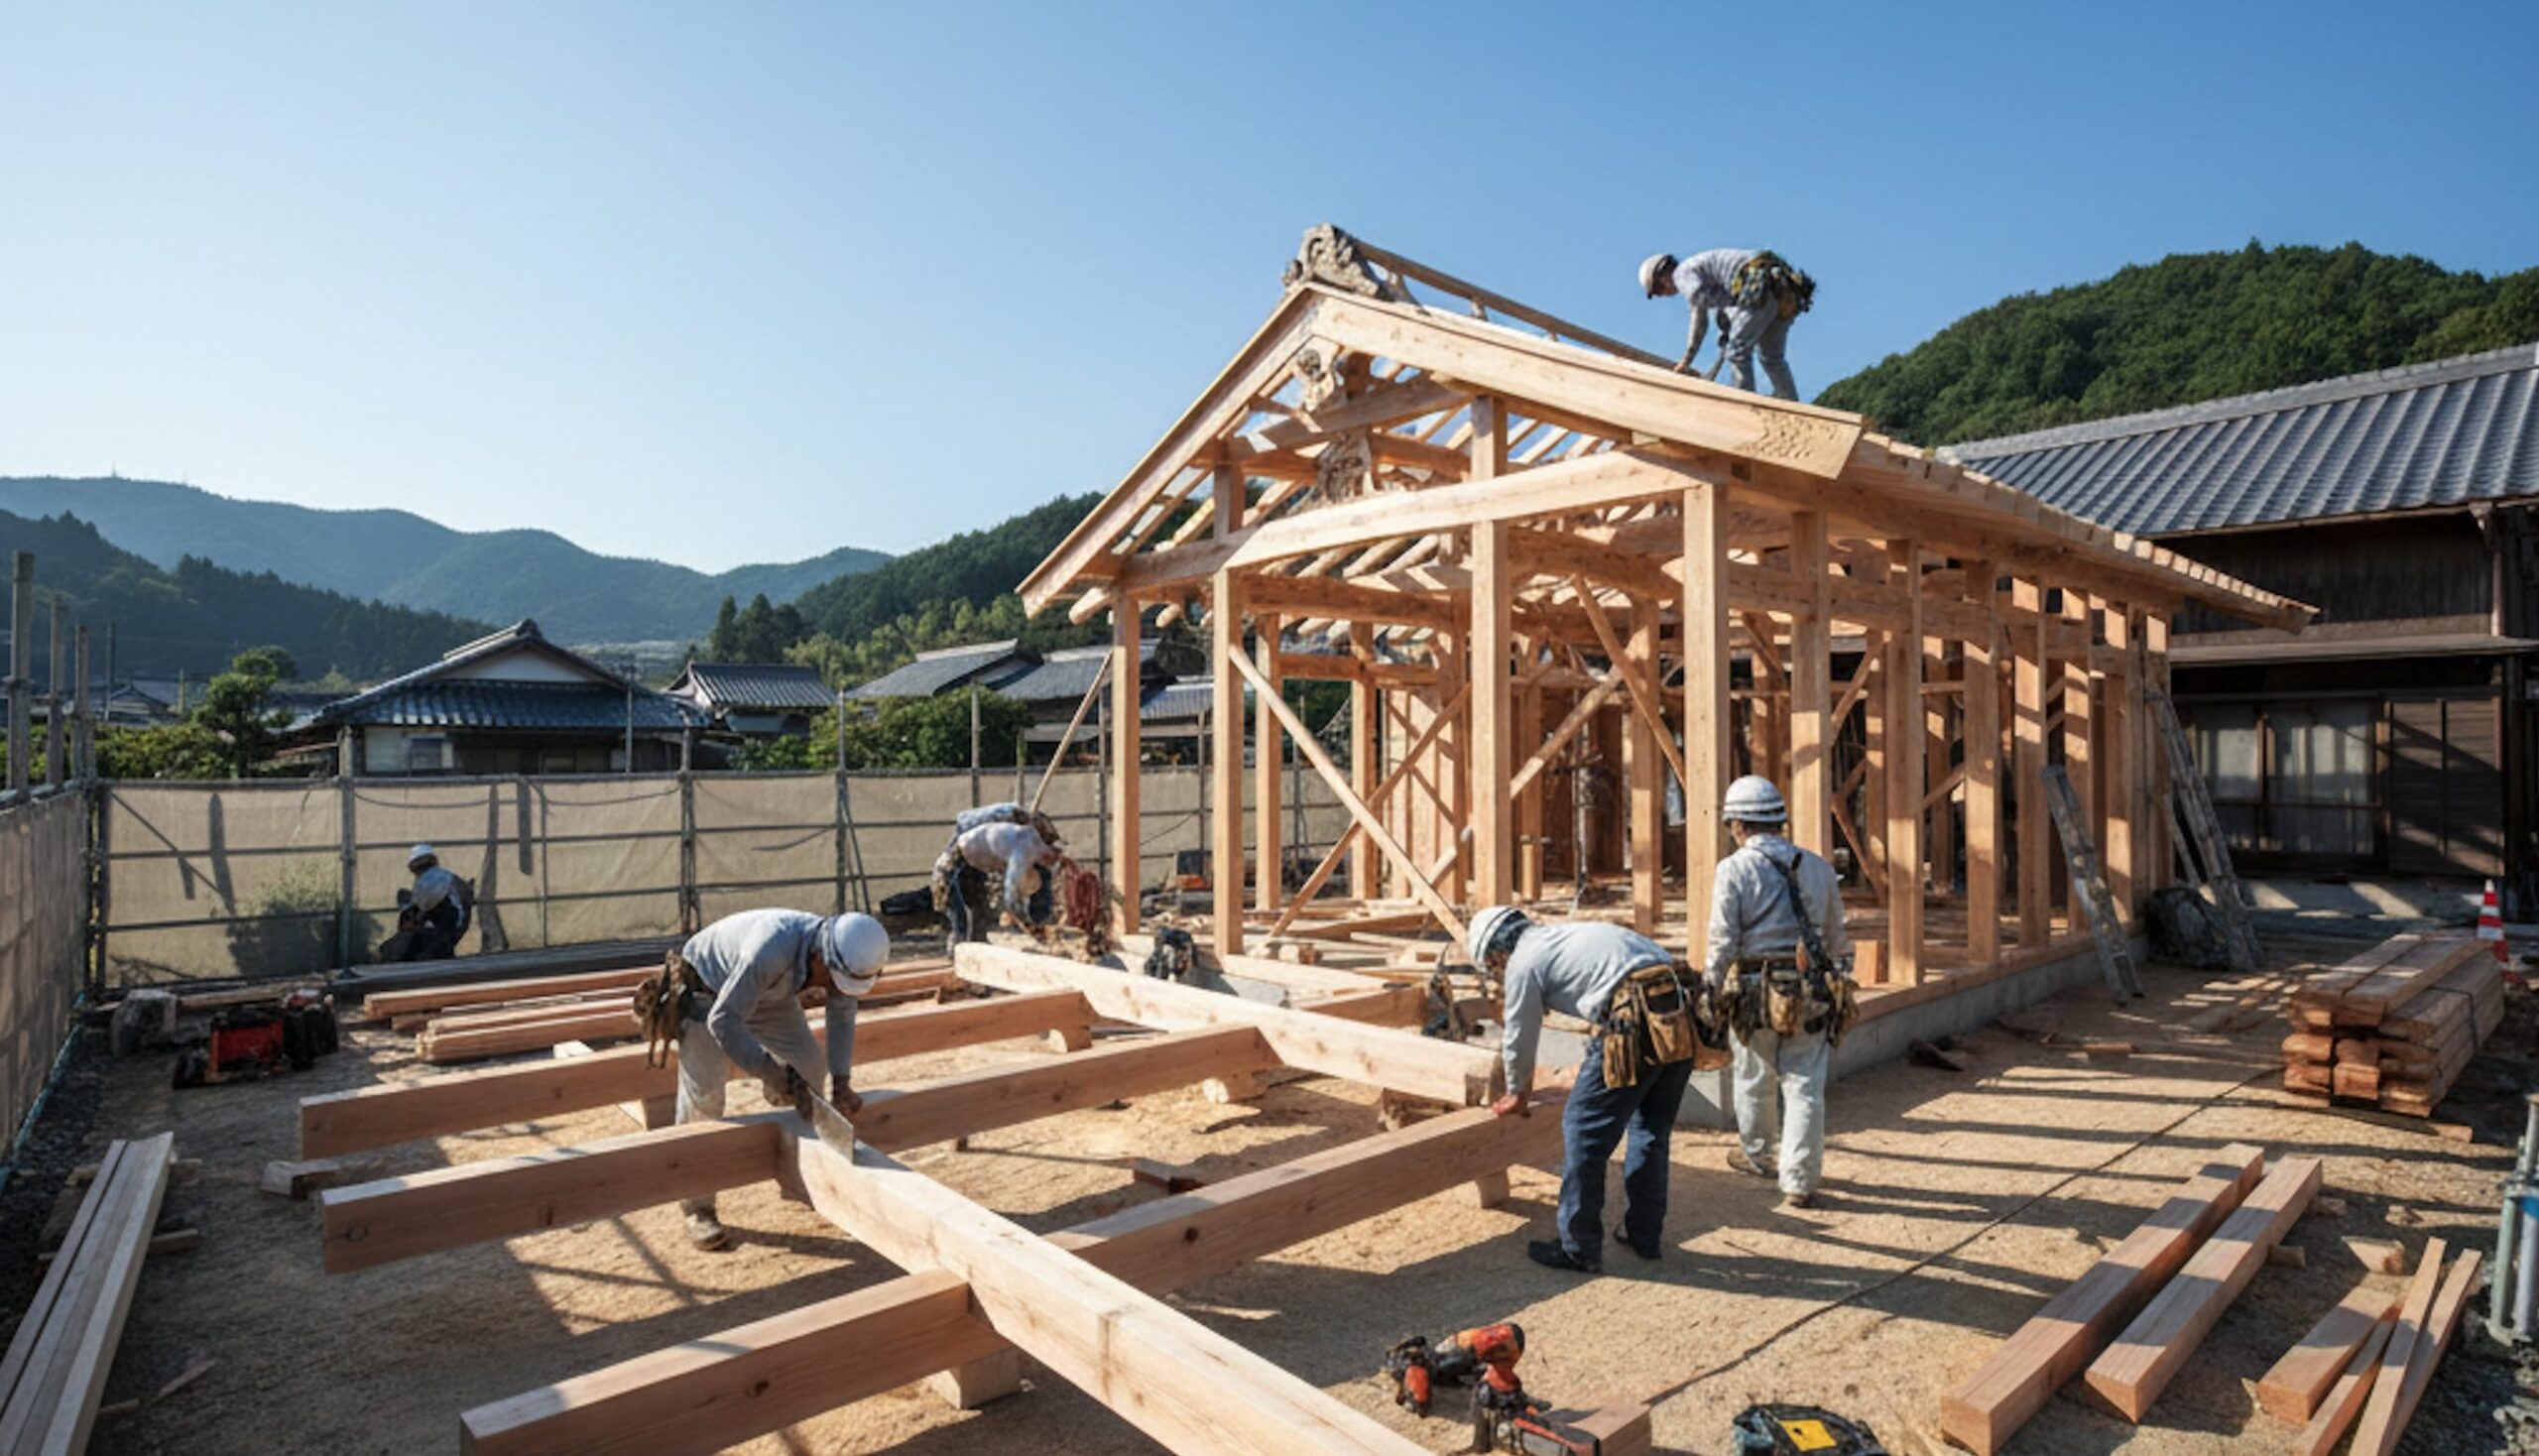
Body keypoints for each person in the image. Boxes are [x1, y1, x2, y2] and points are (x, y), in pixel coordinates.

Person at [1476, 906, 1699, 1274]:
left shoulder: (1524, 962)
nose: (1499, 971)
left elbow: (1519, 1035)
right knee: (1650, 1129)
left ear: (1497, 953)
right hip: (1678, 1017)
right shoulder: (1570, 935)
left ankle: (1578, 1247)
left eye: (1494, 965)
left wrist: (1518, 1092)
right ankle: (1644, 1234)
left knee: (1582, 1129)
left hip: (1631, 1023)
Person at [668, 908, 889, 1250]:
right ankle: (697, 1207)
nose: (832, 989)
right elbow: (723, 1021)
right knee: (705, 1097)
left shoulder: (841, 957)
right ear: (819, 957)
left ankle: (799, 1174)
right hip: (709, 993)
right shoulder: (771, 948)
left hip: (769, 994)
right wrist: (770, 1072)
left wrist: (841, 1081)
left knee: (809, 1068)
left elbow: (842, 1015)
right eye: (830, 980)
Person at [1704, 775, 1852, 1209]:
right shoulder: (1820, 868)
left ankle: (1758, 1155)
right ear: (1779, 821)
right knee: (1805, 1083)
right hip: (1808, 988)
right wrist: (1840, 982)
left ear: (1737, 824)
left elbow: (1723, 940)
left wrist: (1710, 988)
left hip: (1754, 991)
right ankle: (1800, 1181)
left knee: (1753, 1078)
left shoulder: (1733, 869)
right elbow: (1837, 938)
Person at [1637, 248, 1814, 399]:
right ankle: (1790, 403)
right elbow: (1708, 311)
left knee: (1736, 351)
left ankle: (1745, 402)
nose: (1665, 295)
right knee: (1772, 358)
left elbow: (1699, 305)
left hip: (1759, 288)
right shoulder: (1702, 268)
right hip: (1782, 289)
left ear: (1662, 279)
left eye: (1659, 291)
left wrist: (1686, 360)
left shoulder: (1682, 274)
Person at [934, 816, 1061, 943]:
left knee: (980, 909)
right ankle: (956, 950)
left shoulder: (1030, 838)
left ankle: (977, 945)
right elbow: (1011, 897)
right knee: (958, 916)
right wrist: (1030, 926)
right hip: (955, 862)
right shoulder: (1025, 851)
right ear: (1047, 856)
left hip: (973, 861)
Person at [397, 844, 469, 961]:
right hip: (456, 925)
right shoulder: (446, 876)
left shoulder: (426, 882)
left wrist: (414, 919)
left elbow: (423, 906)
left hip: (449, 926)